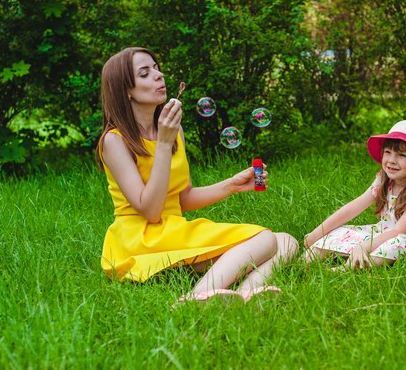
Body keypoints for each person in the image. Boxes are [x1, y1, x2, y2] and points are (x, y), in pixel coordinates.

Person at [96, 47, 298, 303]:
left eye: (157, 68)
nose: (158, 75)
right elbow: (150, 210)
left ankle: (242, 296)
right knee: (265, 239)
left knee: (287, 242)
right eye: (145, 73)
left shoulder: (172, 132)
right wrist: (163, 145)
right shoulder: (115, 141)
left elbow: (183, 198)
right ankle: (193, 298)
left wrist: (231, 185)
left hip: (172, 230)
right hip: (142, 238)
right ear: (125, 90)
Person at [303, 120, 406, 270]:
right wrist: (317, 233)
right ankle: (303, 261)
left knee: (394, 245)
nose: (391, 160)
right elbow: (352, 209)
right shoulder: (383, 181)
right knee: (341, 232)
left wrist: (364, 246)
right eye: (388, 152)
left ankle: (346, 269)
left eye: (401, 155)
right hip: (385, 233)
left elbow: (400, 231)